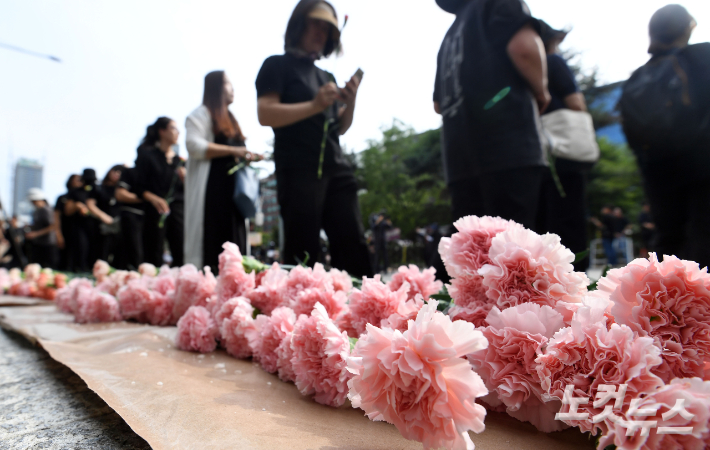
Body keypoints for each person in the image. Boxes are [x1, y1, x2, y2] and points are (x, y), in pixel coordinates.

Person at [255, 0, 373, 277]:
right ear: (299, 24)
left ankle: (364, 309)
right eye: (315, 22)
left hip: (337, 168)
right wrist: (314, 105)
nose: (321, 31)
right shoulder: (276, 65)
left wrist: (351, 102)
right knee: (303, 247)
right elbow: (265, 113)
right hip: (298, 168)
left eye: (327, 27)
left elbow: (340, 128)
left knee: (353, 243)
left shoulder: (326, 75)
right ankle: (298, 315)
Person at [433, 0, 549, 230]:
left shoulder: (449, 37)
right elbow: (523, 48)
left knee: (471, 251)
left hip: (460, 161)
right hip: (508, 148)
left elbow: (438, 104)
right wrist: (542, 91)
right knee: (515, 249)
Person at [622, 5, 710, 268]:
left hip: (658, 171)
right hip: (703, 164)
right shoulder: (702, 56)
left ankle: (661, 305)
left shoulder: (637, 78)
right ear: (689, 27)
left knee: (668, 240)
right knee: (704, 234)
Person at [185, 71, 263, 272]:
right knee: (213, 242)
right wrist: (233, 150)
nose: (232, 88)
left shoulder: (231, 119)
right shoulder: (200, 114)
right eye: (228, 83)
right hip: (213, 191)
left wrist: (247, 155)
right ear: (216, 87)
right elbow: (193, 145)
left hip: (234, 196)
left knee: (235, 242)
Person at [535, 21, 592, 271]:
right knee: (569, 217)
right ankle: (576, 279)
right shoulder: (553, 62)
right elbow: (576, 103)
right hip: (562, 152)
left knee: (543, 218)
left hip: (535, 153)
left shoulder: (520, 71)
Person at [134, 117, 185, 267]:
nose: (178, 132)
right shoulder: (147, 156)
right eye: (173, 128)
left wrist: (186, 178)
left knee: (180, 247)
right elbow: (138, 186)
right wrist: (154, 199)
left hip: (177, 210)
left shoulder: (180, 161)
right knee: (153, 249)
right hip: (154, 209)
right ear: (162, 131)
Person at [91, 165, 124, 264]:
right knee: (101, 253)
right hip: (101, 225)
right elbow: (90, 204)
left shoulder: (121, 190)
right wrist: (102, 216)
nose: (117, 174)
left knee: (119, 254)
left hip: (119, 224)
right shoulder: (98, 187)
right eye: (115, 171)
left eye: (120, 172)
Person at [115, 166, 145, 270]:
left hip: (152, 216)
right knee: (135, 250)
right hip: (132, 215)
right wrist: (146, 197)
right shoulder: (131, 172)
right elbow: (120, 194)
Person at [65, 170, 94, 272]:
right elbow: (67, 211)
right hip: (79, 226)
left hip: (95, 226)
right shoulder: (75, 193)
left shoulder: (96, 190)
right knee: (81, 250)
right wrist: (77, 206)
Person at [25, 188, 58, 268]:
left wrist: (36, 234)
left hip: (48, 243)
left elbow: (52, 226)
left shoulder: (47, 210)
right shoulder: (37, 211)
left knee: (49, 267)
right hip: (39, 243)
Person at [54, 174, 81, 270]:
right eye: (77, 180)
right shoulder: (62, 198)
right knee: (64, 260)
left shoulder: (85, 197)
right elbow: (56, 217)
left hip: (80, 234)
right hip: (66, 231)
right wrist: (58, 234)